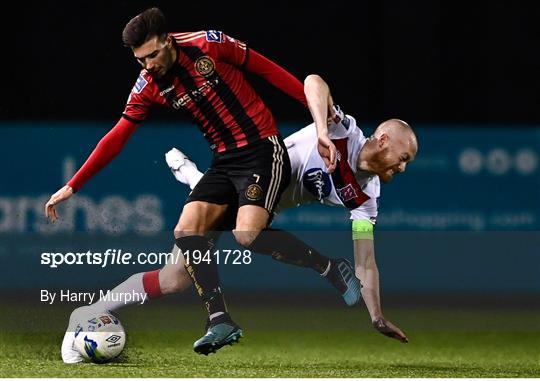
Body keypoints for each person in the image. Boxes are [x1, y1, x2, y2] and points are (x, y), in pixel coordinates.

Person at [45, 7, 360, 357]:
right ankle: (201, 318)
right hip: (223, 162)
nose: (147, 65)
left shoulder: (209, 44)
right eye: (139, 60)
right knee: (176, 268)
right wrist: (73, 185)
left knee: (247, 234)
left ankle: (330, 268)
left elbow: (267, 70)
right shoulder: (148, 84)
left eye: (152, 55)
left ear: (168, 41)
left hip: (261, 149)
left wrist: (321, 118)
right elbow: (118, 136)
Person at [60, 74, 416, 363]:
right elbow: (313, 82)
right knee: (213, 252)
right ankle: (94, 312)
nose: (402, 168)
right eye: (403, 158)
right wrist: (322, 129)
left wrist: (376, 315)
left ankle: (90, 311)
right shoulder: (344, 132)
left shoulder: (367, 199)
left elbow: (366, 263)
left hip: (256, 202)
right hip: (253, 173)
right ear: (383, 139)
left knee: (177, 276)